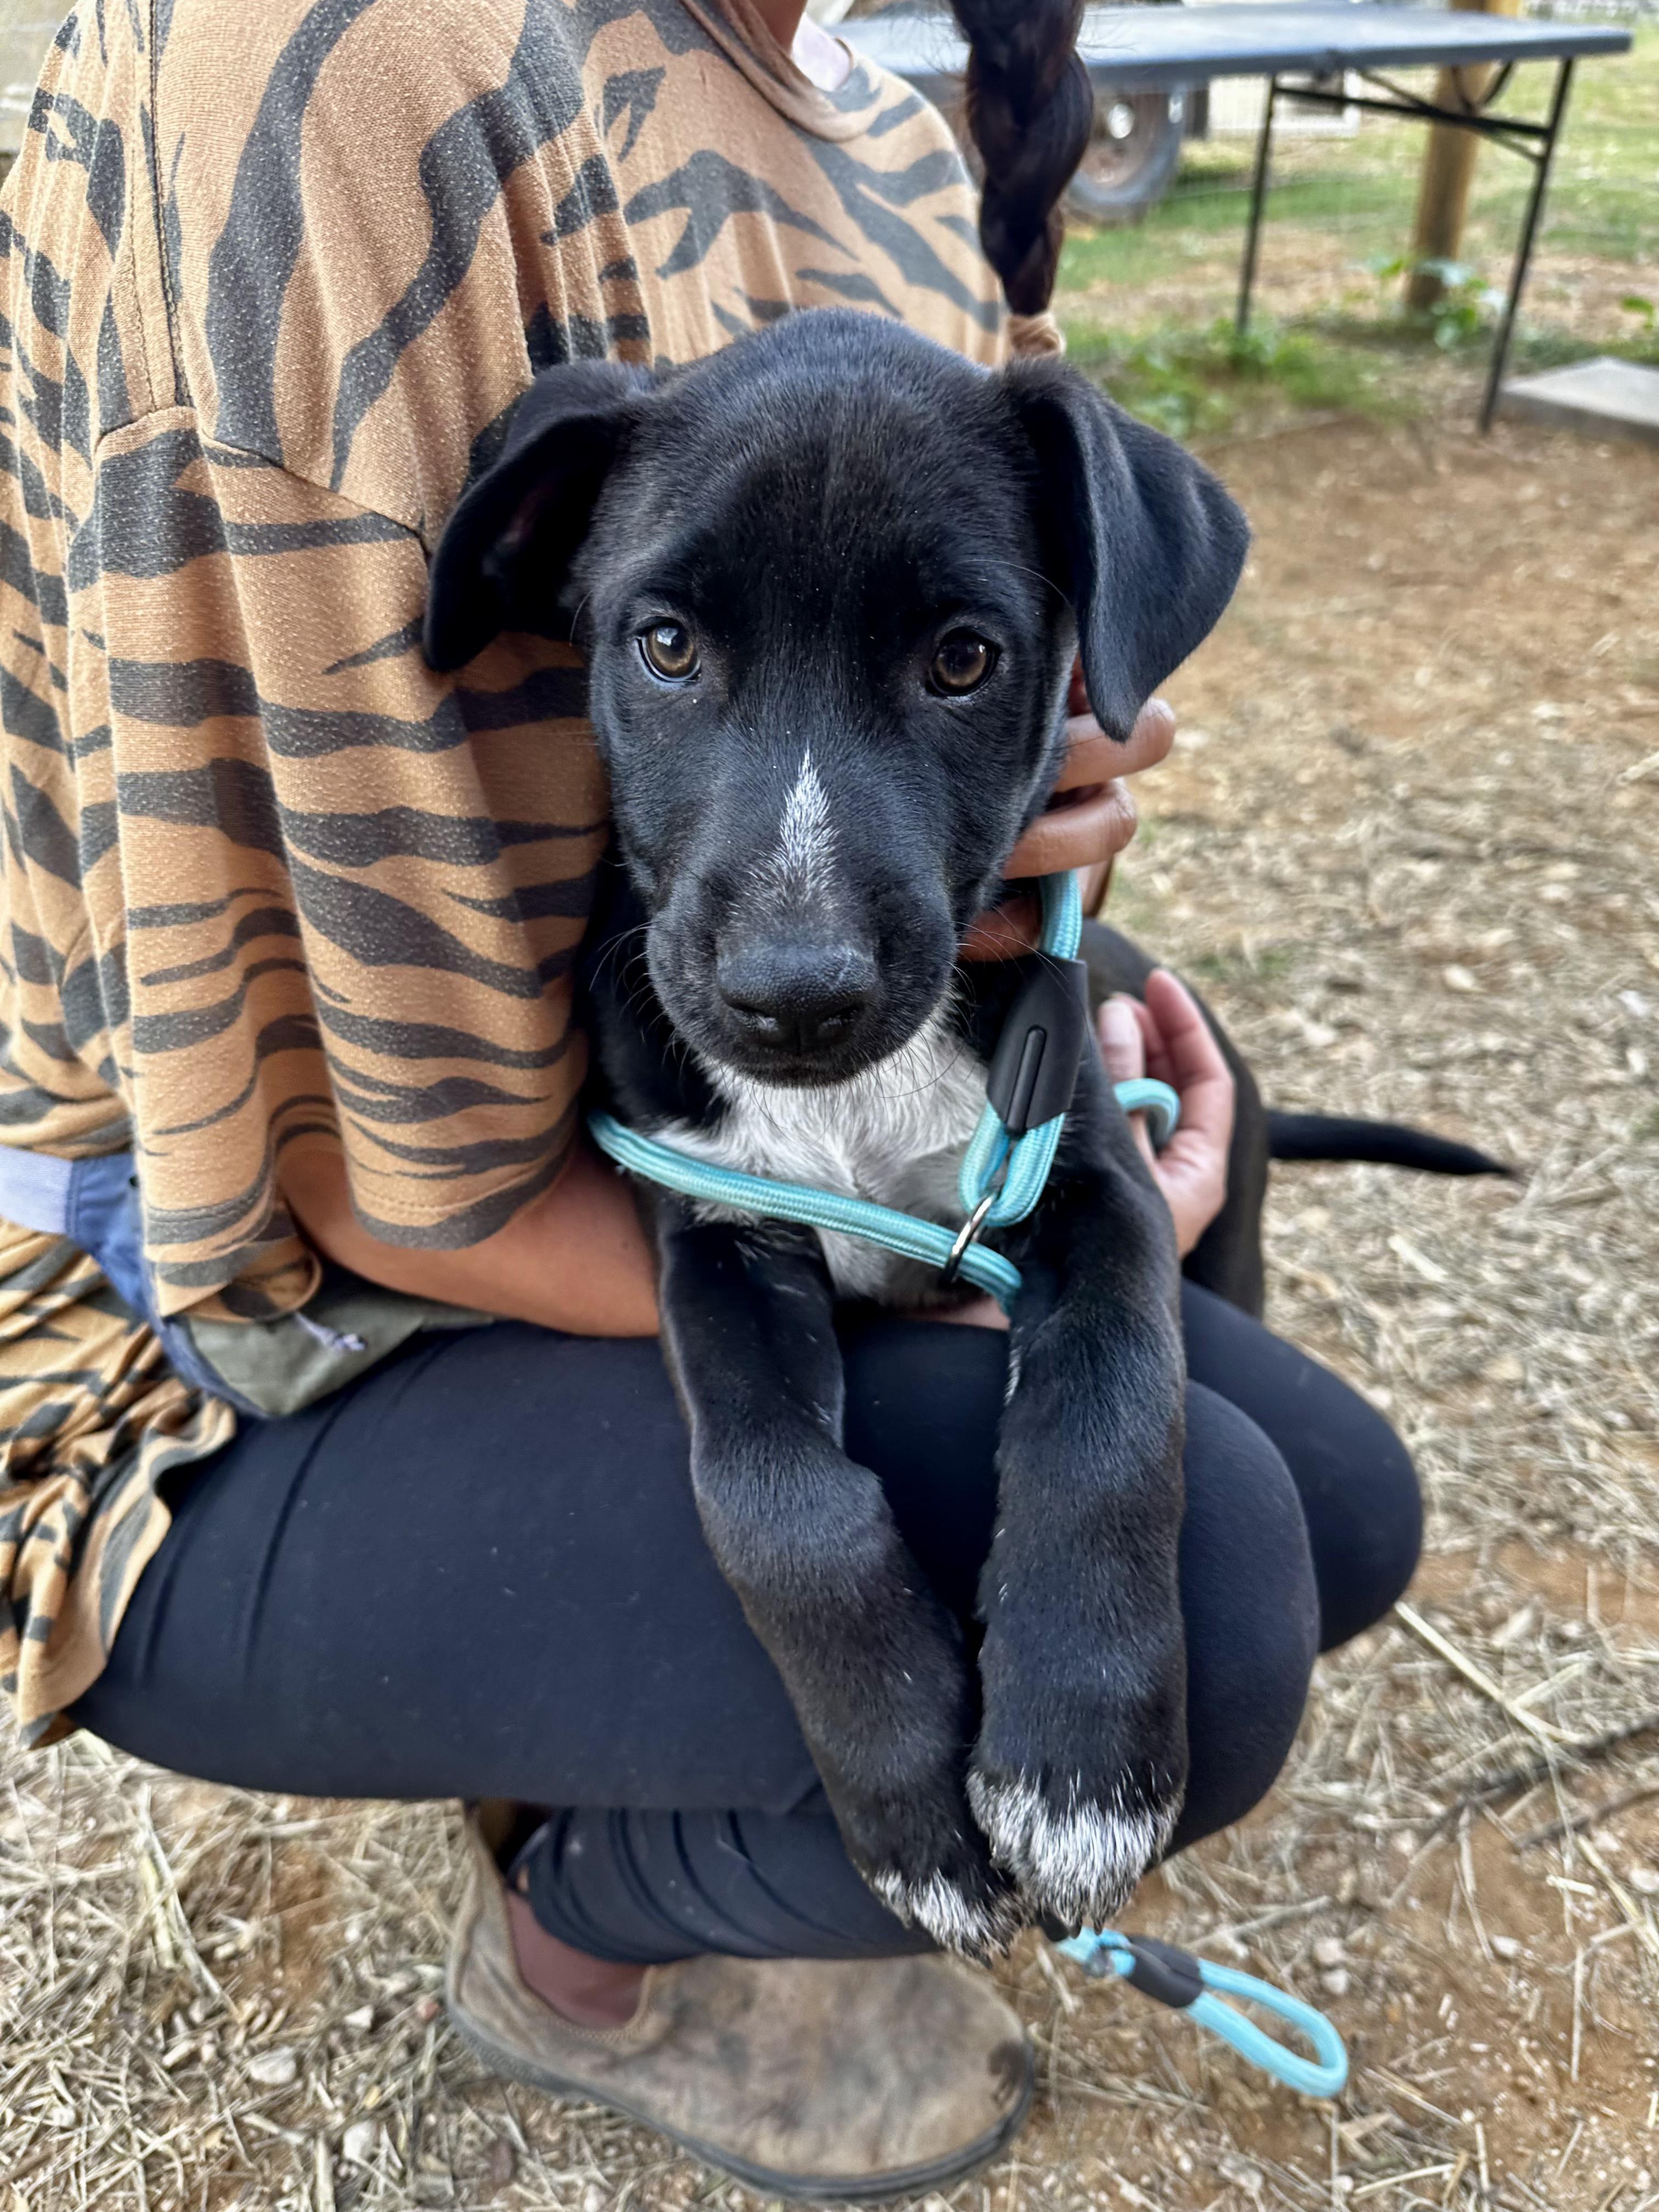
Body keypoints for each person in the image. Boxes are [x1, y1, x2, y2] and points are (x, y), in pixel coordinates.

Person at [0, 0, 1419, 2194]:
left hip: (751, 1169)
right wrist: (957, 1281)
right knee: (1207, 1597)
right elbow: (365, 1196)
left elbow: (1029, 714)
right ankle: (578, 1934)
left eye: (958, 655)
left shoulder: (898, 135)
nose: (798, 935)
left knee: (1334, 1503)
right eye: (667, 649)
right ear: (551, 569)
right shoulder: (343, 70)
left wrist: (1079, 971)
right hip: (248, 1287)